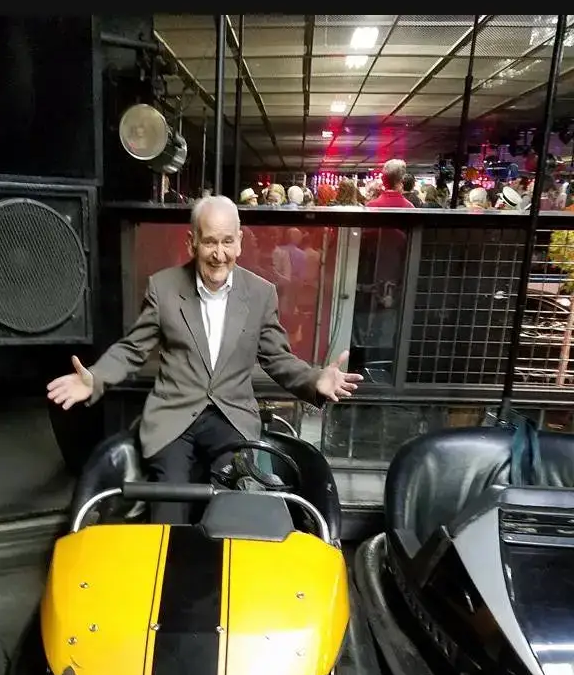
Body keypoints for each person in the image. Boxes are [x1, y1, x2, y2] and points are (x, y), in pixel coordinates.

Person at [47, 195, 362, 523]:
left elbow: (277, 358)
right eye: (210, 242)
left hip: (230, 417)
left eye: (227, 241)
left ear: (240, 242)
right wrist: (95, 378)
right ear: (192, 242)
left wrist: (315, 379)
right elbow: (132, 349)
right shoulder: (164, 287)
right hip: (174, 415)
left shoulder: (260, 293)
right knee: (168, 505)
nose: (219, 253)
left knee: (234, 508)